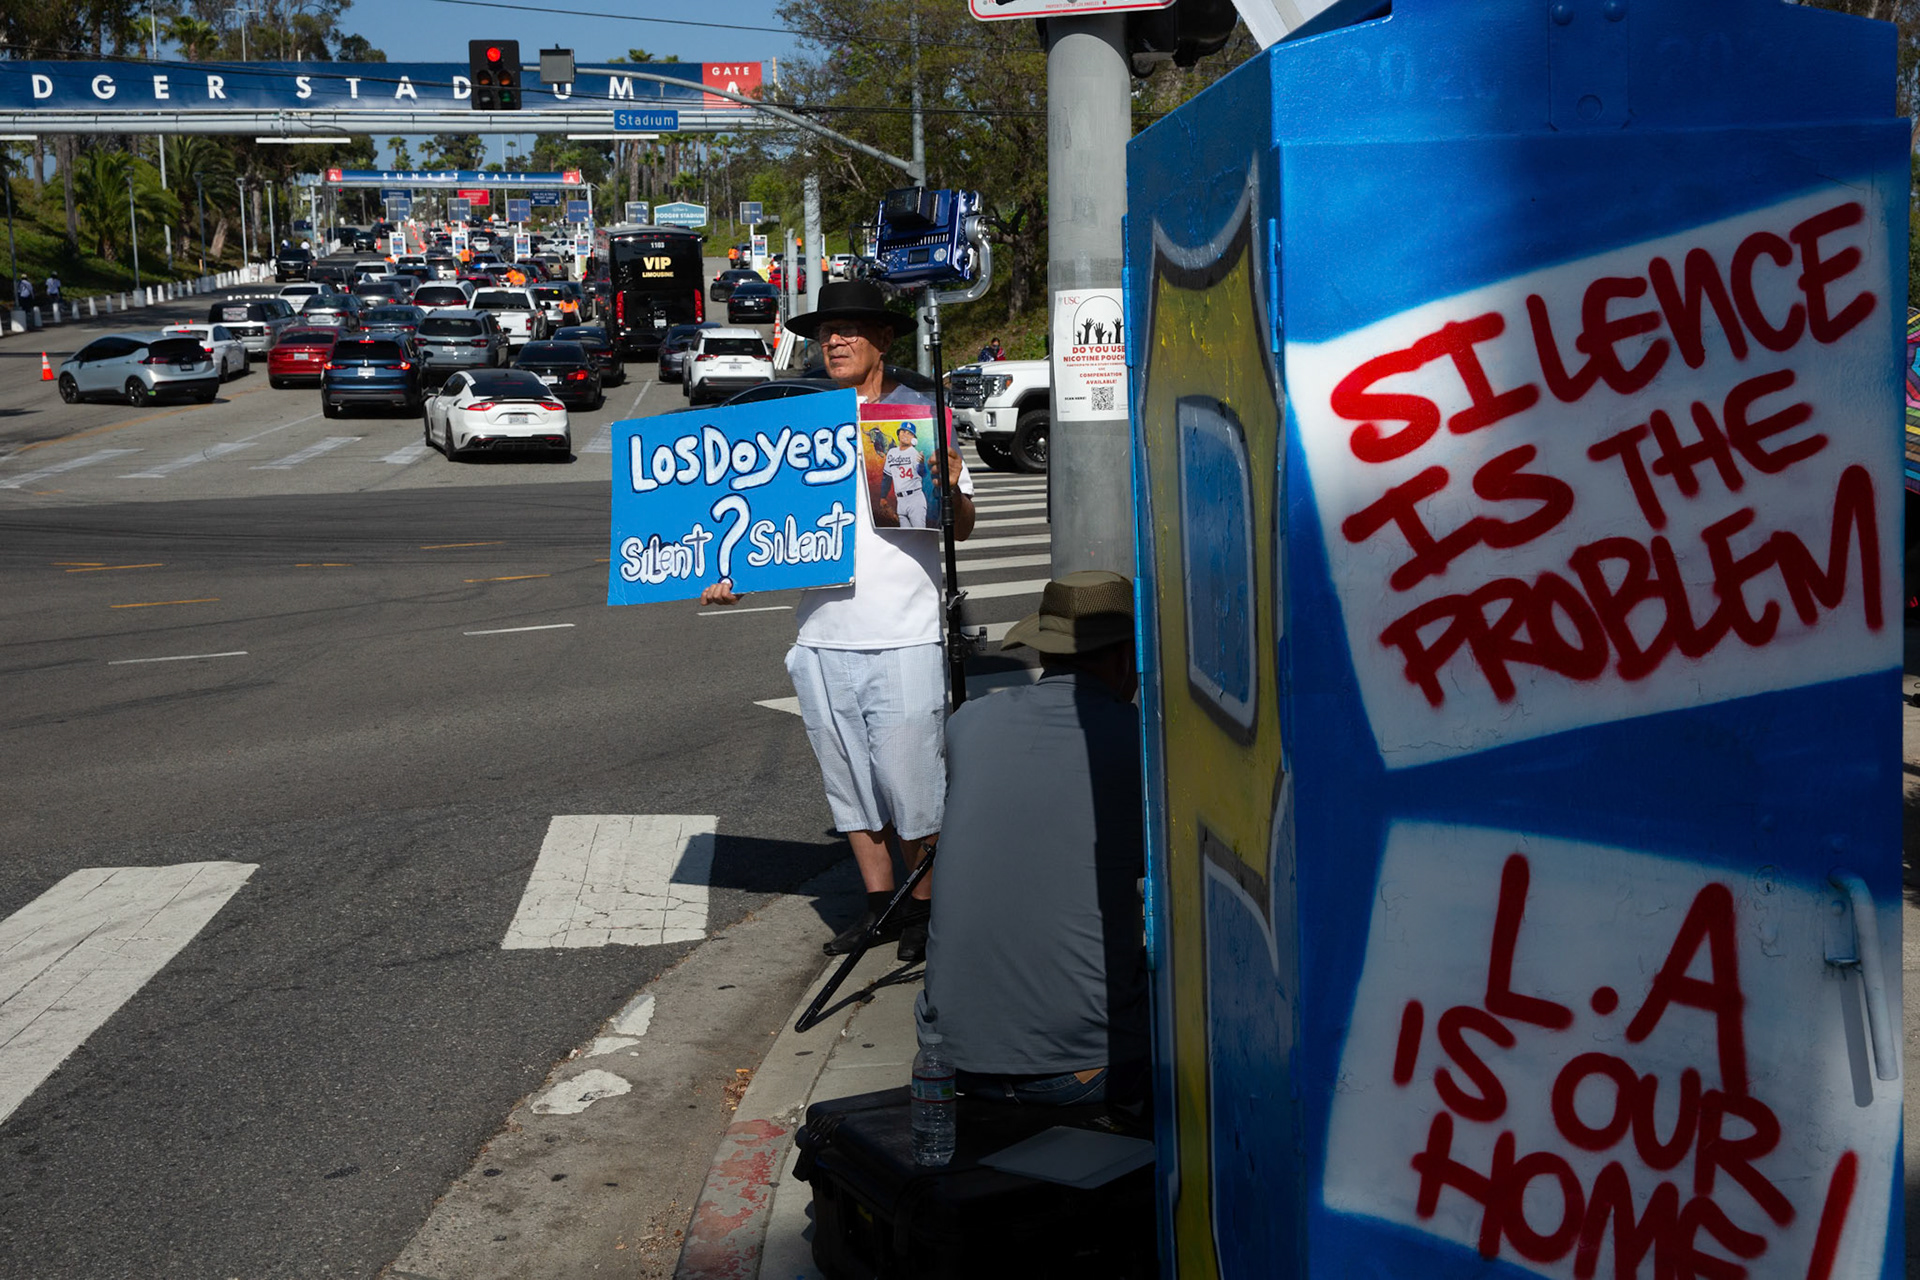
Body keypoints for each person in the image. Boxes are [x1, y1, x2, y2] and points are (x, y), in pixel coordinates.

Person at [700, 279, 976, 962]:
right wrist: (725, 573)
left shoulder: (913, 416)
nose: (836, 340)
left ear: (883, 339)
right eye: (827, 331)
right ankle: (880, 909)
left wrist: (948, 487)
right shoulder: (797, 427)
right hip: (820, 638)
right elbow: (751, 523)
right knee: (849, 788)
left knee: (915, 789)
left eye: (851, 329)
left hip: (905, 632)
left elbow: (962, 526)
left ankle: (927, 912)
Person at [915, 571, 1148, 1107]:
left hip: (949, 1063)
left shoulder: (968, 723)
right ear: (1124, 661)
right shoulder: (1136, 742)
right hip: (1085, 1067)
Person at [883, 424, 930, 529]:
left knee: (919, 534)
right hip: (900, 500)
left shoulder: (914, 453)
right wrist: (883, 496)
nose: (905, 435)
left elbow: (922, 473)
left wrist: (921, 464)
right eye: (903, 431)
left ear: (914, 439)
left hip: (915, 498)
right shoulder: (892, 452)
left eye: (909, 433)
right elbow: (887, 476)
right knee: (906, 535)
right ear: (898, 434)